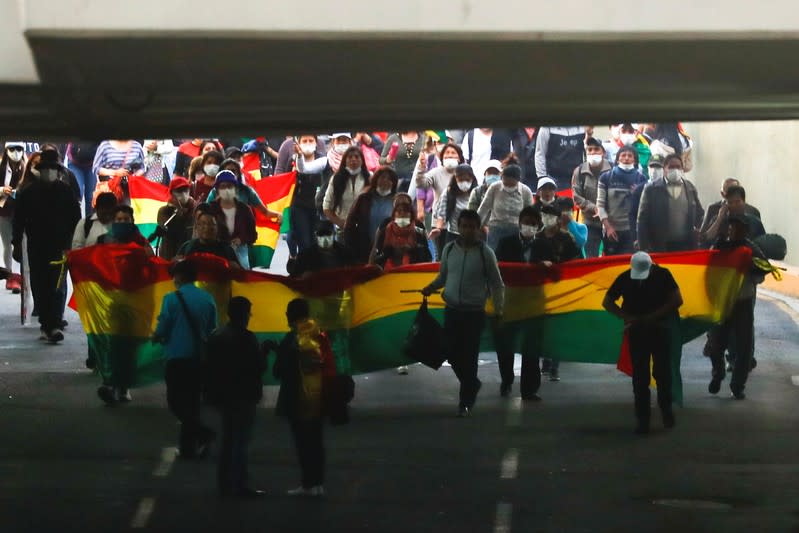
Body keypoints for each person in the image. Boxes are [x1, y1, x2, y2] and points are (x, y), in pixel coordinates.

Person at [422, 209, 505, 417]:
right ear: (458, 228)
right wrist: (430, 288)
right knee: (450, 352)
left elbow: (497, 284)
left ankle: (465, 401)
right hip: (451, 311)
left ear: (479, 230)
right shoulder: (449, 249)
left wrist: (498, 310)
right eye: (464, 226)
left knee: (469, 356)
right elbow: (443, 277)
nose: (467, 230)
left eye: (472, 227)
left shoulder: (486, 253)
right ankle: (472, 383)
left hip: (474, 314)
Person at [603, 252, 683, 435]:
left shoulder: (662, 275)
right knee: (642, 377)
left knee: (660, 373)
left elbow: (677, 300)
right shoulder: (626, 277)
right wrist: (629, 317)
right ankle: (645, 418)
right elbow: (607, 302)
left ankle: (663, 410)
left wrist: (647, 317)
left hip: (656, 330)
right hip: (642, 331)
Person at [12, 150, 81, 343]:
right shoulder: (28, 193)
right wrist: (16, 244)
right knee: (40, 285)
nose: (49, 172)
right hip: (37, 246)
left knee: (57, 286)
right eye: (46, 168)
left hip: (60, 247)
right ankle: (47, 323)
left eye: (52, 168)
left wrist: (74, 246)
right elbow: (19, 221)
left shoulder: (66, 191)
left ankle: (55, 323)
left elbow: (76, 220)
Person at [153, 260, 218, 459]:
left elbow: (163, 327)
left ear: (179, 277)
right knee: (192, 402)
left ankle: (204, 433)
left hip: (177, 356)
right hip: (199, 358)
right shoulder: (208, 299)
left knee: (175, 401)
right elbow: (211, 330)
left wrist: (156, 336)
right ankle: (189, 448)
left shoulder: (171, 299)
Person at [273, 298, 337, 497]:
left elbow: (280, 370)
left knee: (303, 442)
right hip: (318, 397)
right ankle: (318, 483)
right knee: (316, 441)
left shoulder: (292, 338)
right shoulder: (319, 333)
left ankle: (308, 483)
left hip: (298, 398)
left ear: (292, 316)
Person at [205, 296, 267, 499]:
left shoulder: (217, 335)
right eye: (249, 312)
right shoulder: (247, 338)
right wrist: (264, 352)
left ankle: (224, 484)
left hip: (223, 395)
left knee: (229, 439)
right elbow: (258, 367)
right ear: (244, 314)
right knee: (240, 441)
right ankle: (239, 484)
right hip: (243, 395)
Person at [705, 215, 770, 400]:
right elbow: (708, 271)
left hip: (743, 302)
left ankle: (738, 385)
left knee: (744, 347)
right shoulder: (718, 247)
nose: (733, 230)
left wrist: (750, 265)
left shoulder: (750, 248)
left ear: (745, 231)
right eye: (731, 227)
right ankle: (718, 375)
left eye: (738, 228)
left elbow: (764, 268)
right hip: (721, 302)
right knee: (716, 344)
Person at [494, 205, 546, 400]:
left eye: (533, 224)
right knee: (505, 346)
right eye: (526, 222)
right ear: (519, 223)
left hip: (534, 305)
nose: (529, 226)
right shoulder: (505, 243)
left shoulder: (543, 246)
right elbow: (497, 269)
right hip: (510, 302)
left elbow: (557, 273)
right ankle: (506, 380)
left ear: (539, 226)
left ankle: (529, 390)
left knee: (532, 349)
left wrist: (547, 267)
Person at [72, 192, 117, 370]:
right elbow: (76, 249)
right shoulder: (86, 224)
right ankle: (95, 354)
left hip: (115, 282)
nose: (107, 215)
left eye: (110, 212)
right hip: (91, 282)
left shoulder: (121, 224)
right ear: (97, 209)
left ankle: (109, 356)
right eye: (103, 212)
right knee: (94, 321)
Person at [636, 154, 704, 253]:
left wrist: (699, 232)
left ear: (682, 169)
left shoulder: (690, 188)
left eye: (678, 167)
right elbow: (642, 219)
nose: (675, 170)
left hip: (686, 245)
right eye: (671, 167)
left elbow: (700, 213)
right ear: (664, 169)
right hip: (659, 246)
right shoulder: (651, 189)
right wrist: (643, 247)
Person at [343, 167, 399, 264]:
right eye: (382, 177)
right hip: (363, 249)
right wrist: (351, 248)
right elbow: (349, 224)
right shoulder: (364, 199)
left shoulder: (397, 201)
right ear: (376, 179)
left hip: (389, 251)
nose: (385, 181)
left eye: (389, 179)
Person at [597, 146, 645, 255]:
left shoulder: (641, 179)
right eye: (623, 155)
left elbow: (643, 207)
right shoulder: (606, 177)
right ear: (617, 159)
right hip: (612, 231)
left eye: (630, 156)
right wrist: (608, 227)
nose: (626, 158)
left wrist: (637, 192)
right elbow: (600, 205)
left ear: (635, 160)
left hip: (631, 232)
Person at [477, 164, 534, 251]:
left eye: (511, 184)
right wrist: (476, 225)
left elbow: (530, 214)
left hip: (516, 231)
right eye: (505, 183)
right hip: (496, 230)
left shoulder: (526, 191)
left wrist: (528, 231)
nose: (508, 186)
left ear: (518, 180)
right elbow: (484, 208)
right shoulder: (494, 187)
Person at [207, 170, 257, 269]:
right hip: (216, 253)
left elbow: (253, 235)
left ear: (236, 188)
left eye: (230, 186)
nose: (226, 189)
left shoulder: (244, 209)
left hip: (240, 253)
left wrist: (241, 239)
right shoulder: (211, 209)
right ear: (217, 190)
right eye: (223, 186)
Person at [572, 137, 610, 257]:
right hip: (590, 223)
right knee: (591, 258)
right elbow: (576, 196)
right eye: (590, 150)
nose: (593, 152)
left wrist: (604, 211)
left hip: (611, 223)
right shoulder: (579, 172)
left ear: (603, 152)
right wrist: (594, 208)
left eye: (596, 149)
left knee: (612, 258)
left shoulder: (612, 170)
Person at [700, 181, 763, 247]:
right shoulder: (719, 221)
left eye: (737, 202)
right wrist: (719, 218)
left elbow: (762, 244)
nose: (734, 205)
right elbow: (705, 240)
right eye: (730, 202)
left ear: (744, 202)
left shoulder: (755, 222)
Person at [322, 147, 370, 232]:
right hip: (342, 228)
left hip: (364, 228)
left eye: (356, 157)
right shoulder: (336, 179)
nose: (353, 160)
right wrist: (340, 223)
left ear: (362, 160)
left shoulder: (369, 178)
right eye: (350, 157)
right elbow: (326, 207)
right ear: (345, 161)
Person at [371, 201, 431, 270]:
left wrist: (412, 250)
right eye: (399, 211)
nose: (402, 213)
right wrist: (394, 251)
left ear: (411, 215)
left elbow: (426, 257)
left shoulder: (419, 233)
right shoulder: (384, 232)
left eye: (406, 211)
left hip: (413, 273)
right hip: (387, 274)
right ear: (394, 215)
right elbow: (378, 257)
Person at [0, 142, 27, 293]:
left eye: (19, 149)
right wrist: (2, 190)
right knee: (7, 245)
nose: (16, 152)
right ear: (6, 150)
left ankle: (17, 276)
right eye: (12, 149)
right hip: (3, 211)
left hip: (20, 212)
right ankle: (9, 274)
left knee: (19, 243)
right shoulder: (1, 167)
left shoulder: (27, 167)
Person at [430, 164, 479, 246]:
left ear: (472, 179)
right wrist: (438, 228)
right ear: (455, 179)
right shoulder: (448, 192)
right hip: (453, 234)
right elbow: (441, 213)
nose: (464, 182)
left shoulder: (477, 193)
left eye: (467, 180)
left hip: (473, 234)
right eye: (460, 180)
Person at [288, 221, 356, 278]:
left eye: (328, 234)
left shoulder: (345, 253)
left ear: (334, 234)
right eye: (321, 235)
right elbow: (294, 276)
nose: (325, 238)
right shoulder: (305, 255)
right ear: (316, 236)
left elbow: (355, 273)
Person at [175, 212, 241, 269]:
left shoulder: (227, 249)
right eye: (203, 223)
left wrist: (236, 268)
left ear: (217, 227)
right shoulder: (187, 247)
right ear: (197, 226)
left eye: (211, 224)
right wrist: (175, 263)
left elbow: (242, 275)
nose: (207, 227)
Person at [154, 177, 196, 260]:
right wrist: (178, 212)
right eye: (179, 191)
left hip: (190, 254)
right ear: (171, 193)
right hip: (169, 255)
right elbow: (169, 231)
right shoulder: (164, 211)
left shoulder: (195, 208)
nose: (183, 194)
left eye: (185, 190)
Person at [535, 126, 587, 191]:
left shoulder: (582, 127)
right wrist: (542, 177)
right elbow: (540, 154)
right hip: (554, 178)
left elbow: (587, 152)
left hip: (577, 179)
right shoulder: (547, 127)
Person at [629, 154, 665, 243]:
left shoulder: (668, 188)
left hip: (664, 236)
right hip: (644, 236)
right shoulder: (639, 189)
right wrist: (635, 237)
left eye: (658, 168)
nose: (654, 171)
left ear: (664, 170)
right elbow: (633, 214)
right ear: (648, 168)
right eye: (652, 167)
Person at [67, 141, 100, 216]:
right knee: (77, 193)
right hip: (74, 163)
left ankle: (89, 223)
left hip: (92, 164)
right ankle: (75, 221)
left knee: (90, 197)